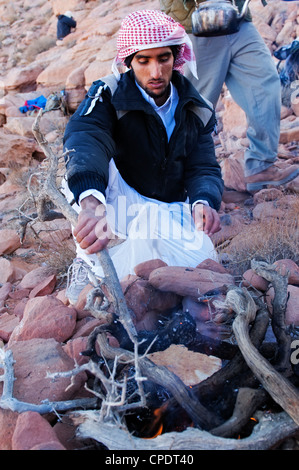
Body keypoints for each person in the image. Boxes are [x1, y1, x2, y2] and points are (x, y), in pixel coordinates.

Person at [62, 9, 224, 303]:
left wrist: (204, 201)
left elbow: (203, 166)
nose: (156, 72)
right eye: (143, 60)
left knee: (191, 269)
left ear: (176, 58)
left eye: (163, 58)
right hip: (120, 198)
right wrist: (90, 203)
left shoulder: (195, 107)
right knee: (81, 169)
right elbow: (86, 137)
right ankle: (87, 265)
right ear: (128, 62)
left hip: (171, 206)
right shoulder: (109, 94)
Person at [160, 0, 299, 192]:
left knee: (264, 83)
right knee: (194, 105)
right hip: (195, 22)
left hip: (237, 19)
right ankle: (178, 180)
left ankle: (261, 166)